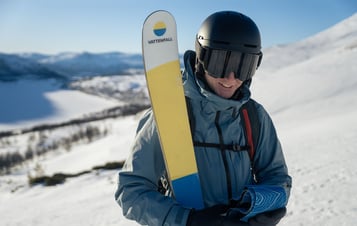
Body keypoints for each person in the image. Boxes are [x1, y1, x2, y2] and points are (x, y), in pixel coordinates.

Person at [115, 11, 292, 226]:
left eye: (243, 66)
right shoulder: (171, 114)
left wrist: (260, 210)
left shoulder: (253, 116)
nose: (230, 78)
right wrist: (188, 221)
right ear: (201, 58)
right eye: (220, 63)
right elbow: (131, 192)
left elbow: (277, 177)